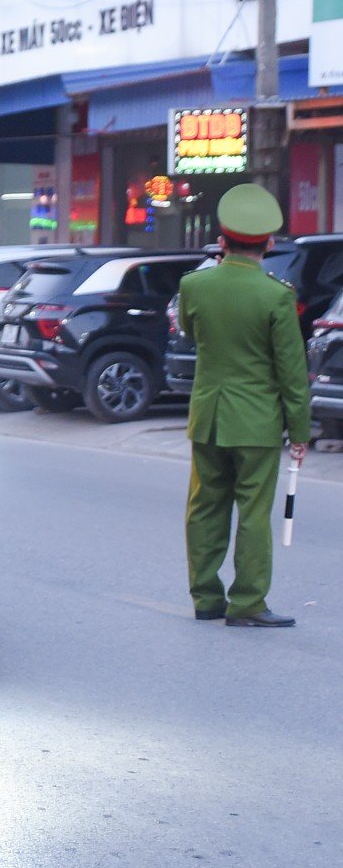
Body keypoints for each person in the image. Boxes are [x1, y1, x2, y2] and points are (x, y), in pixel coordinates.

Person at [179, 183, 311, 628]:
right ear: (269, 244)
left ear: (221, 241)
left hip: (207, 418)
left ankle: (206, 598)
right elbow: (292, 372)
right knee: (253, 513)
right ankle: (248, 603)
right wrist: (301, 430)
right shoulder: (276, 295)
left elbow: (189, 332)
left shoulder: (194, 285)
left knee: (204, 507)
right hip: (256, 423)